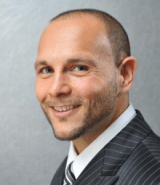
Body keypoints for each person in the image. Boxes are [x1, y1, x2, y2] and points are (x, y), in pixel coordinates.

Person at [35, 9, 160, 185]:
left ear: (124, 75)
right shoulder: (72, 167)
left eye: (79, 68)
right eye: (46, 70)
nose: (55, 89)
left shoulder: (152, 176)